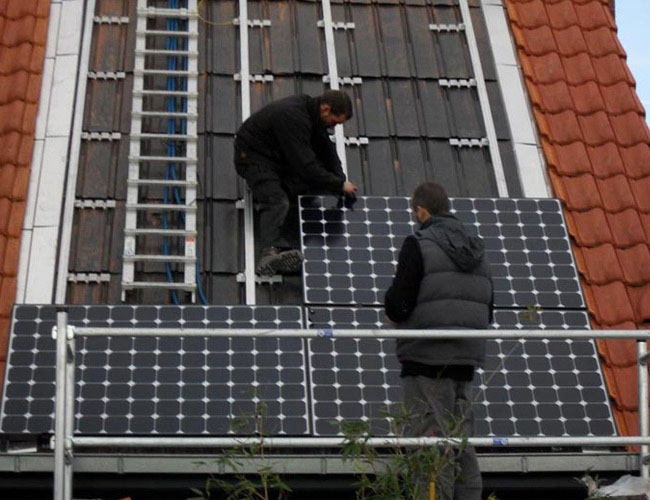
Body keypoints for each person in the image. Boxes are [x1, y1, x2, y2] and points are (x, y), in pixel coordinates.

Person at [384, 182, 493, 500]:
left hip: (426, 359)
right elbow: (488, 307)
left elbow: (397, 305)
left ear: (421, 211)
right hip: (465, 360)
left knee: (430, 446)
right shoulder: (477, 250)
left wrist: (395, 314)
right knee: (461, 444)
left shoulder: (418, 244)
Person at [234, 90, 359, 276]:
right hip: (252, 158)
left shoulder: (312, 111)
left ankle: (283, 249)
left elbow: (327, 150)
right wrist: (339, 186)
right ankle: (270, 252)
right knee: (278, 201)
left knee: (306, 186)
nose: (334, 126)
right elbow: (305, 165)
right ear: (326, 109)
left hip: (276, 157)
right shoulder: (293, 117)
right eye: (335, 121)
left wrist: (340, 181)